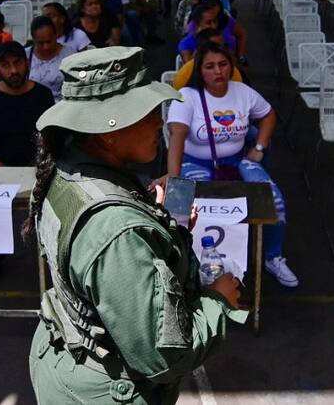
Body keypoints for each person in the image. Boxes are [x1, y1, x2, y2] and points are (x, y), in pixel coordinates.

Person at [27, 46, 245, 403]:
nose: (159, 123)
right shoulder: (117, 230)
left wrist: (157, 223)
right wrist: (219, 300)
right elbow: (162, 358)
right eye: (145, 114)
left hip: (66, 361)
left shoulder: (69, 170)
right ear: (108, 133)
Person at [166, 41, 298, 288]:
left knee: (275, 200)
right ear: (199, 70)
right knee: (187, 209)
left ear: (231, 65)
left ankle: (272, 257)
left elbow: (269, 115)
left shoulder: (242, 92)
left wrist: (259, 148)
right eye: (210, 66)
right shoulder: (187, 97)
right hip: (196, 161)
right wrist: (174, 179)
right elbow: (177, 138)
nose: (218, 71)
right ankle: (187, 265)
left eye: (223, 64)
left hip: (237, 161)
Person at [0, 41, 54, 283]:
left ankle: (55, 255)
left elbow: (53, 137)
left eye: (17, 63)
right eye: (6, 65)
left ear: (26, 63)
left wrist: (43, 165)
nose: (13, 70)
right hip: (0, 170)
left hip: (38, 168)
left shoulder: (42, 95)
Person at [172, 28, 243, 89]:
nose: (218, 71)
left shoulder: (233, 71)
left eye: (224, 46)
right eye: (215, 47)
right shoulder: (184, 76)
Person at [25, 16, 75, 100]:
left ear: (56, 35)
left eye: (49, 41)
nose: (46, 47)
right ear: (33, 39)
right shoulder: (25, 55)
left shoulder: (70, 54)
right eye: (40, 43)